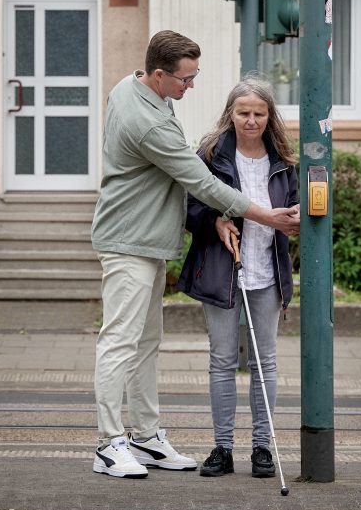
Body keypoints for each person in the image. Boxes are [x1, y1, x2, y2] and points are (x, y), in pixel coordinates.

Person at [90, 32, 300, 479]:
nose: (191, 87)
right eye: (186, 79)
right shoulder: (146, 122)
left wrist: (221, 219)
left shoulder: (131, 87)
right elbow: (200, 184)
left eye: (195, 76)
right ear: (160, 74)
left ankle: (146, 437)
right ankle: (109, 444)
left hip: (146, 243)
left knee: (145, 344)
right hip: (128, 241)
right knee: (120, 342)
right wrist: (266, 217)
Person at [177, 76, 299, 479]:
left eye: (258, 114)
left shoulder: (282, 158)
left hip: (267, 273)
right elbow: (189, 208)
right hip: (221, 272)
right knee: (222, 360)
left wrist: (296, 220)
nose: (250, 120)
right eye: (243, 112)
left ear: (270, 116)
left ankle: (263, 448)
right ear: (230, 113)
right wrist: (214, 221)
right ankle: (222, 448)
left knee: (265, 362)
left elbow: (295, 208)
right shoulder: (210, 154)